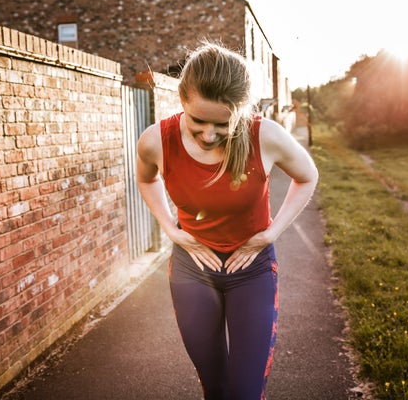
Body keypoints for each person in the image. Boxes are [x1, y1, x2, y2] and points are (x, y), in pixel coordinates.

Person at [135, 41, 318, 400]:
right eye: (197, 121)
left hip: (252, 273)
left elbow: (307, 175)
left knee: (244, 393)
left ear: (241, 112)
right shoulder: (155, 141)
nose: (208, 134)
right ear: (182, 102)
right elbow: (146, 178)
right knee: (216, 389)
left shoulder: (263, 135)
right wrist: (170, 228)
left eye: (222, 124)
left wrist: (269, 234)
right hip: (192, 272)